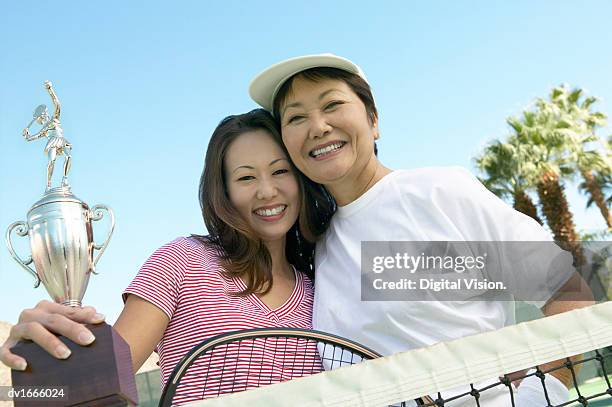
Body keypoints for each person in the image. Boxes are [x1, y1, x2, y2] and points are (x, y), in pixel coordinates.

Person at [248, 53, 595, 406]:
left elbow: (568, 291)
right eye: (296, 117)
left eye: (332, 104)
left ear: (374, 121)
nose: (318, 127)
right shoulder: (316, 246)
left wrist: (538, 398)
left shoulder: (441, 191)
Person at [0, 109, 333, 405]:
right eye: (246, 177)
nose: (267, 190)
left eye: (280, 171)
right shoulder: (182, 260)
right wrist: (37, 365)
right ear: (224, 192)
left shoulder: (322, 288)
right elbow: (95, 387)